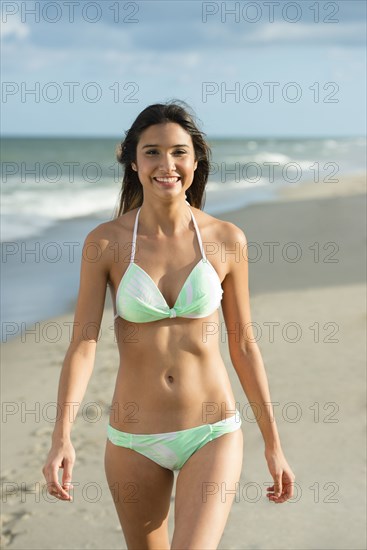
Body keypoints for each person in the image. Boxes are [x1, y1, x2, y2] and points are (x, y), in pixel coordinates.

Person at [42, 100, 295, 549]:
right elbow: (83, 343)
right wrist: (61, 436)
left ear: (196, 161)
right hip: (133, 439)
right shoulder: (106, 242)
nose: (167, 164)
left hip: (211, 431)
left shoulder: (225, 239)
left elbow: (244, 345)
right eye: (153, 152)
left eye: (178, 152)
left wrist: (273, 443)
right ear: (133, 160)